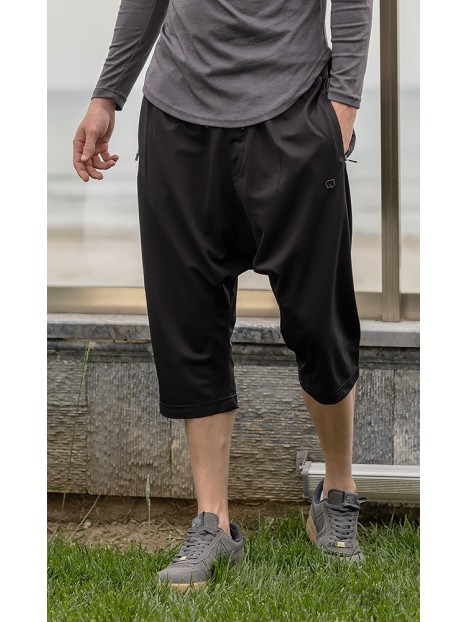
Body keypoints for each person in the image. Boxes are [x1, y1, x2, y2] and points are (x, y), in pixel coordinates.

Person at [73, 0, 373, 591]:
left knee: (320, 319)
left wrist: (342, 106)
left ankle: (338, 492)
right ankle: (213, 523)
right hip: (177, 116)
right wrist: (108, 94)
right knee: (189, 321)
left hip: (293, 108)